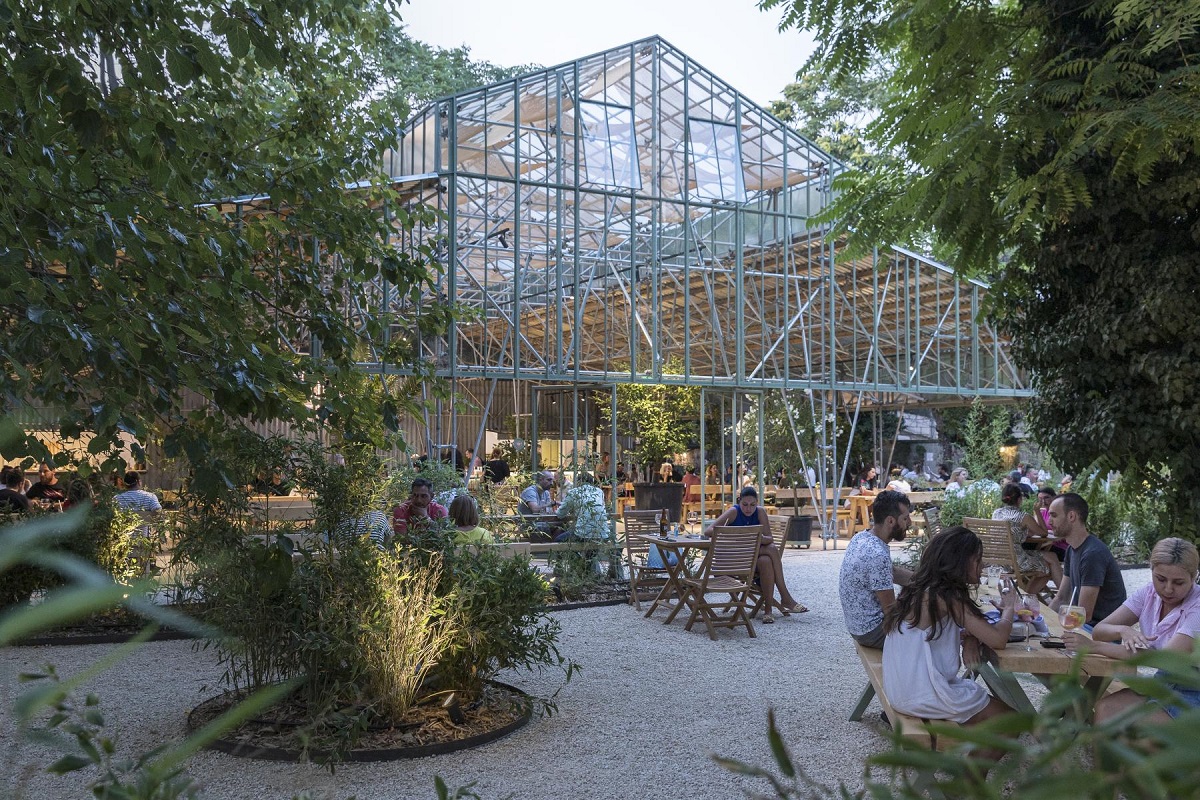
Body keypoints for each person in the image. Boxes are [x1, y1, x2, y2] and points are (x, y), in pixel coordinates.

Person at [882, 526, 1016, 749]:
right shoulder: (947, 595)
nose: (982, 565)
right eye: (978, 560)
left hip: (904, 685)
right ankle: (971, 770)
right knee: (1010, 723)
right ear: (960, 562)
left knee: (994, 714)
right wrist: (1009, 607)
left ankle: (969, 758)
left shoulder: (923, 586)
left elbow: (961, 627)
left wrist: (971, 639)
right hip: (919, 692)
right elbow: (998, 639)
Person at [1066, 538, 1200, 724]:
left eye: (1178, 582)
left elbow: (1164, 659)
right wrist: (1123, 630)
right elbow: (1100, 630)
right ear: (1151, 570)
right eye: (1161, 579)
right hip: (1164, 681)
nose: (1168, 589)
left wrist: (1094, 647)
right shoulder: (1149, 593)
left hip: (1194, 689)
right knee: (1105, 709)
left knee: (1139, 726)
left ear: (1194, 578)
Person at [712, 486, 806, 622]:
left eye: (752, 505)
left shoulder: (760, 512)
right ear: (739, 501)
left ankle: (768, 611)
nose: (748, 509)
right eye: (745, 504)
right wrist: (737, 536)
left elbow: (769, 538)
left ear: (757, 503)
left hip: (752, 557)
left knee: (766, 561)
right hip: (735, 558)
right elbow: (709, 531)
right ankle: (785, 596)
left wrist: (757, 538)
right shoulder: (733, 512)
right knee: (771, 549)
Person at [838, 490, 914, 647]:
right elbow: (891, 613)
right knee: (934, 624)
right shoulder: (878, 555)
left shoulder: (862, 537)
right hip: (873, 632)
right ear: (890, 521)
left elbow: (891, 572)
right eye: (905, 518)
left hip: (858, 627)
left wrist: (924, 579)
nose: (910, 523)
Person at [1047, 492, 1127, 628]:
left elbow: (1084, 615)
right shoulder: (1071, 550)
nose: (1049, 521)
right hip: (1083, 626)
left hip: (1097, 631)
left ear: (1071, 516)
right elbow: (1061, 598)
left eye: (1054, 515)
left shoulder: (1092, 554)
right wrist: (1042, 622)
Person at [989, 483, 1056, 594]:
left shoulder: (996, 513)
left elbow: (1012, 531)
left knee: (1051, 556)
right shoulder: (1023, 516)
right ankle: (1025, 596)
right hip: (1016, 562)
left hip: (998, 561)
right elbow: (1044, 533)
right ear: (1020, 499)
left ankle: (1023, 595)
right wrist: (1037, 511)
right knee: (1048, 568)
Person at [554, 473, 609, 543]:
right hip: (603, 534)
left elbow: (560, 514)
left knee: (558, 540)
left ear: (578, 482)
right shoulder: (599, 492)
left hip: (583, 534)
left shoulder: (574, 492)